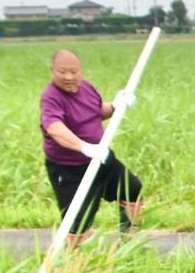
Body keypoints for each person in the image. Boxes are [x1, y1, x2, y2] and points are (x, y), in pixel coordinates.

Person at [39, 48, 144, 243]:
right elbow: (54, 128)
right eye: (62, 72)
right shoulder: (51, 97)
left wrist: (115, 106)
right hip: (69, 169)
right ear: (52, 72)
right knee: (78, 219)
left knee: (132, 189)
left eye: (74, 71)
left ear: (81, 71)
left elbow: (97, 111)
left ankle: (129, 242)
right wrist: (84, 147)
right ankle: (72, 264)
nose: (69, 77)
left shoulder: (86, 87)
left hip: (100, 158)